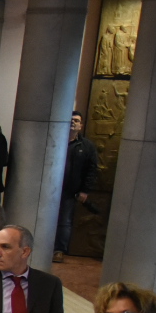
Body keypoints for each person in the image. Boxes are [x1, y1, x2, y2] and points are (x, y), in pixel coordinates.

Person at [57, 110, 100, 261]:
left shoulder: (87, 146)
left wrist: (85, 190)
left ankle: (59, 250)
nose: (72, 122)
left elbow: (92, 170)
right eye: (70, 119)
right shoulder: (56, 139)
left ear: (81, 125)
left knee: (64, 222)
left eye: (76, 120)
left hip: (70, 190)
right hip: (51, 189)